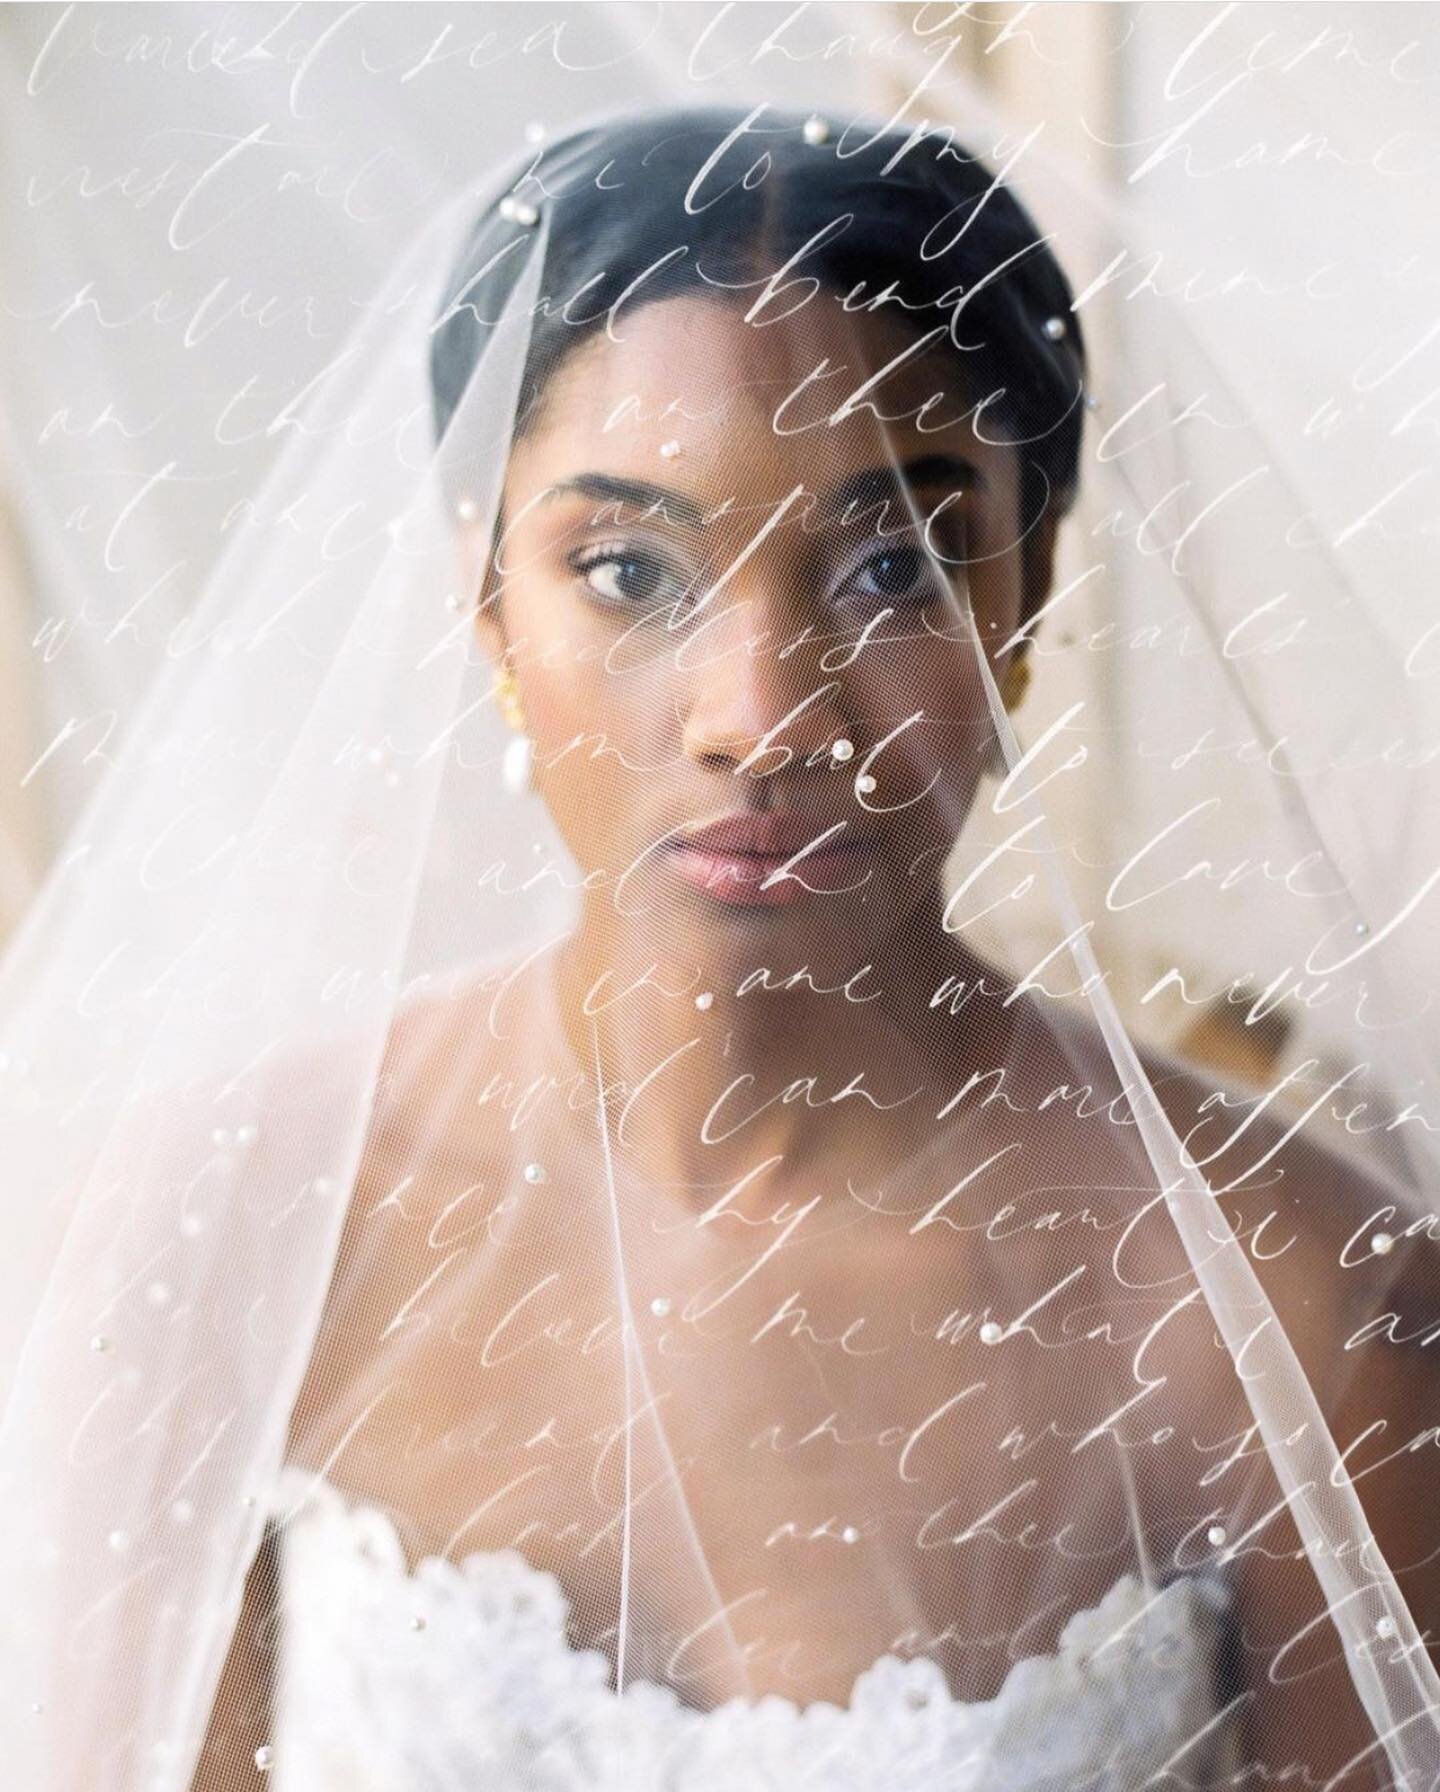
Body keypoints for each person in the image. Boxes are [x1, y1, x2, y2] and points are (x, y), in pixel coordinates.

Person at [3, 105, 1437, 1792]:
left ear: (1026, 591)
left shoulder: (1305, 1300)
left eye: (893, 564)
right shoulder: (237, 1227)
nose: (764, 719)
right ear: (481, 596)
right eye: (627, 567)